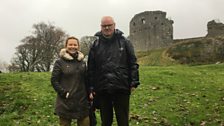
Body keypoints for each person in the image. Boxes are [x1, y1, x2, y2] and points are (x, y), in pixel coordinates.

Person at [87, 16, 140, 126]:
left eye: (109, 25)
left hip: (121, 86)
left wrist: (134, 82)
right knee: (106, 121)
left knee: (123, 120)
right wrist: (91, 87)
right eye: (104, 26)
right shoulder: (95, 45)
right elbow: (91, 67)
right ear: (101, 27)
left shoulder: (125, 42)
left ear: (114, 25)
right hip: (102, 88)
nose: (107, 28)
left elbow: (132, 63)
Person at [51, 36, 90, 126]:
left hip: (82, 102)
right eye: (70, 44)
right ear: (66, 46)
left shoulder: (83, 62)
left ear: (78, 47)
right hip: (65, 102)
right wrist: (63, 93)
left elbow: (86, 80)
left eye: (75, 45)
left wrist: (90, 92)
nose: (73, 46)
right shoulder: (59, 62)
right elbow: (54, 80)